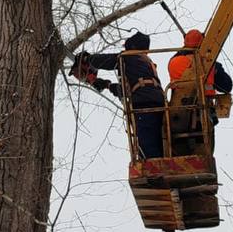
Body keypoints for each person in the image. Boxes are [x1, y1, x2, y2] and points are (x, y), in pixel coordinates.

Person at [71, 31, 167, 159]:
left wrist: (87, 59)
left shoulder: (129, 56)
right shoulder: (143, 62)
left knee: (147, 142)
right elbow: (127, 89)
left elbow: (108, 61)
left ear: (132, 46)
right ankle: (157, 163)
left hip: (145, 103)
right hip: (155, 99)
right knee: (159, 138)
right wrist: (107, 85)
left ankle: (154, 169)